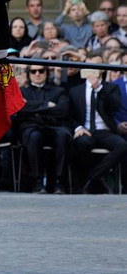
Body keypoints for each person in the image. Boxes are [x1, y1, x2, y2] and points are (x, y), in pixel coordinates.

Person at [69, 55, 127, 193]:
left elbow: (115, 105)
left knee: (122, 145)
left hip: (105, 131)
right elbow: (69, 114)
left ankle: (93, 178)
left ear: (103, 68)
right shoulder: (75, 90)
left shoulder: (111, 88)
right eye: (89, 65)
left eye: (96, 65)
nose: (92, 68)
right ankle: (89, 181)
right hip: (85, 130)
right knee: (82, 144)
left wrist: (99, 88)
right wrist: (78, 127)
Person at [14, 65, 72, 194]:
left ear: (47, 73)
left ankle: (59, 182)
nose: (37, 74)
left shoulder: (59, 91)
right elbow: (21, 108)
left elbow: (63, 111)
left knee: (63, 136)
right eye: (33, 71)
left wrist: (34, 110)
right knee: (34, 136)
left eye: (41, 71)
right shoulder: (22, 91)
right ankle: (37, 181)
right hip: (31, 127)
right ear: (28, 74)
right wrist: (46, 105)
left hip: (55, 126)